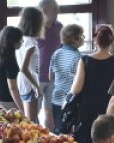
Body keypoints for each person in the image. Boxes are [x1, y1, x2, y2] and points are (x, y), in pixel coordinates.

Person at [70, 24, 114, 143]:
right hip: (110, 111)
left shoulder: (85, 61)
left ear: (95, 40)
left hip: (88, 111)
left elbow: (76, 90)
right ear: (112, 41)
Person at [49, 24, 84, 130]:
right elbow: (79, 82)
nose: (83, 38)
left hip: (56, 98)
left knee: (59, 129)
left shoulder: (56, 53)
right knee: (71, 133)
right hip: (70, 101)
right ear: (74, 39)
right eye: (82, 35)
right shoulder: (78, 57)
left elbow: (51, 77)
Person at [37, 0, 63, 131]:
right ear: (44, 11)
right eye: (54, 10)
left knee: (50, 110)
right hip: (36, 78)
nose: (57, 12)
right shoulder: (35, 28)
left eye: (57, 10)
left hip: (54, 77)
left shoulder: (59, 27)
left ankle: (50, 138)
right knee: (33, 113)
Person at [17, 7, 45, 124]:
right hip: (29, 84)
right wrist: (36, 86)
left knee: (32, 120)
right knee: (31, 122)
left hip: (23, 83)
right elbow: (24, 68)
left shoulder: (21, 39)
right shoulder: (31, 43)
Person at [0, 26, 25, 111]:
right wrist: (22, 109)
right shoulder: (9, 59)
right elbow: (13, 88)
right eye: (20, 40)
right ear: (13, 42)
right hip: (5, 102)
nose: (21, 43)